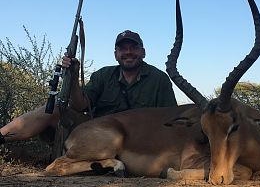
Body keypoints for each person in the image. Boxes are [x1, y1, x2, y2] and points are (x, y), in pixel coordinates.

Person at [0, 30, 177, 145]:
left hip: (139, 140)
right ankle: (2, 136)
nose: (128, 52)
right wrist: (74, 75)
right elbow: (79, 106)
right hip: (97, 133)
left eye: (133, 48)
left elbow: (171, 120)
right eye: (123, 49)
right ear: (116, 54)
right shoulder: (103, 75)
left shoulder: (159, 79)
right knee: (53, 110)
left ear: (143, 52)